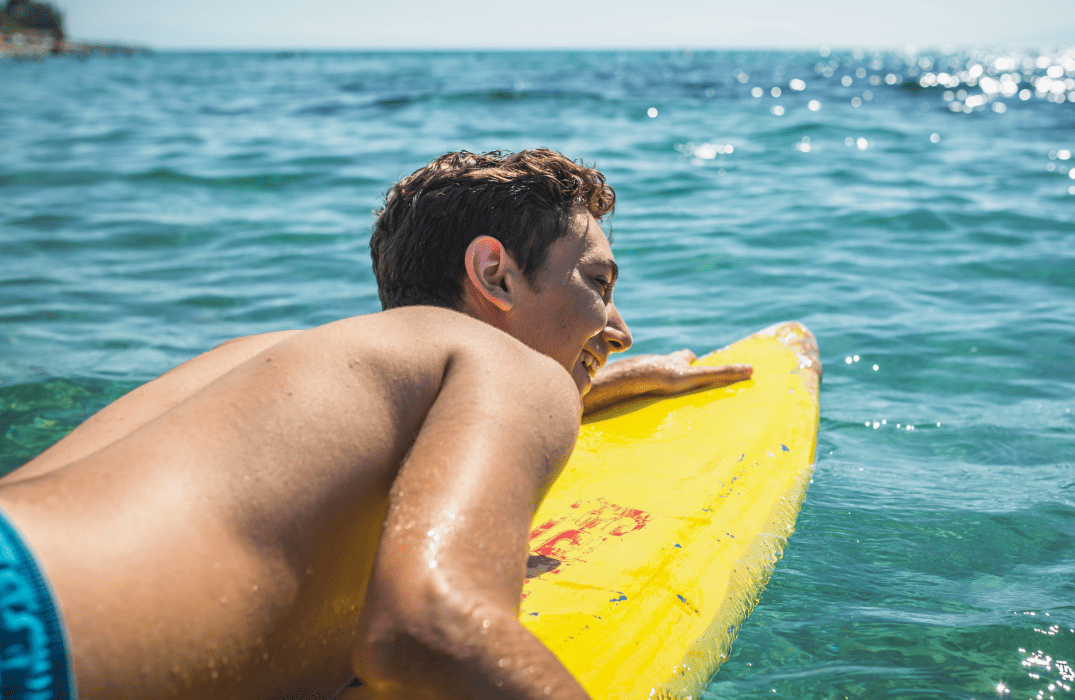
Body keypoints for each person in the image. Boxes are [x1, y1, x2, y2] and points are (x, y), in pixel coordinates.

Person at [0, 149, 751, 700]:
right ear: (495, 274)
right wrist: (549, 391)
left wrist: (585, 384)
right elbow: (427, 629)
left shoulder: (263, 359)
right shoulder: (508, 371)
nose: (619, 330)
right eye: (597, 283)